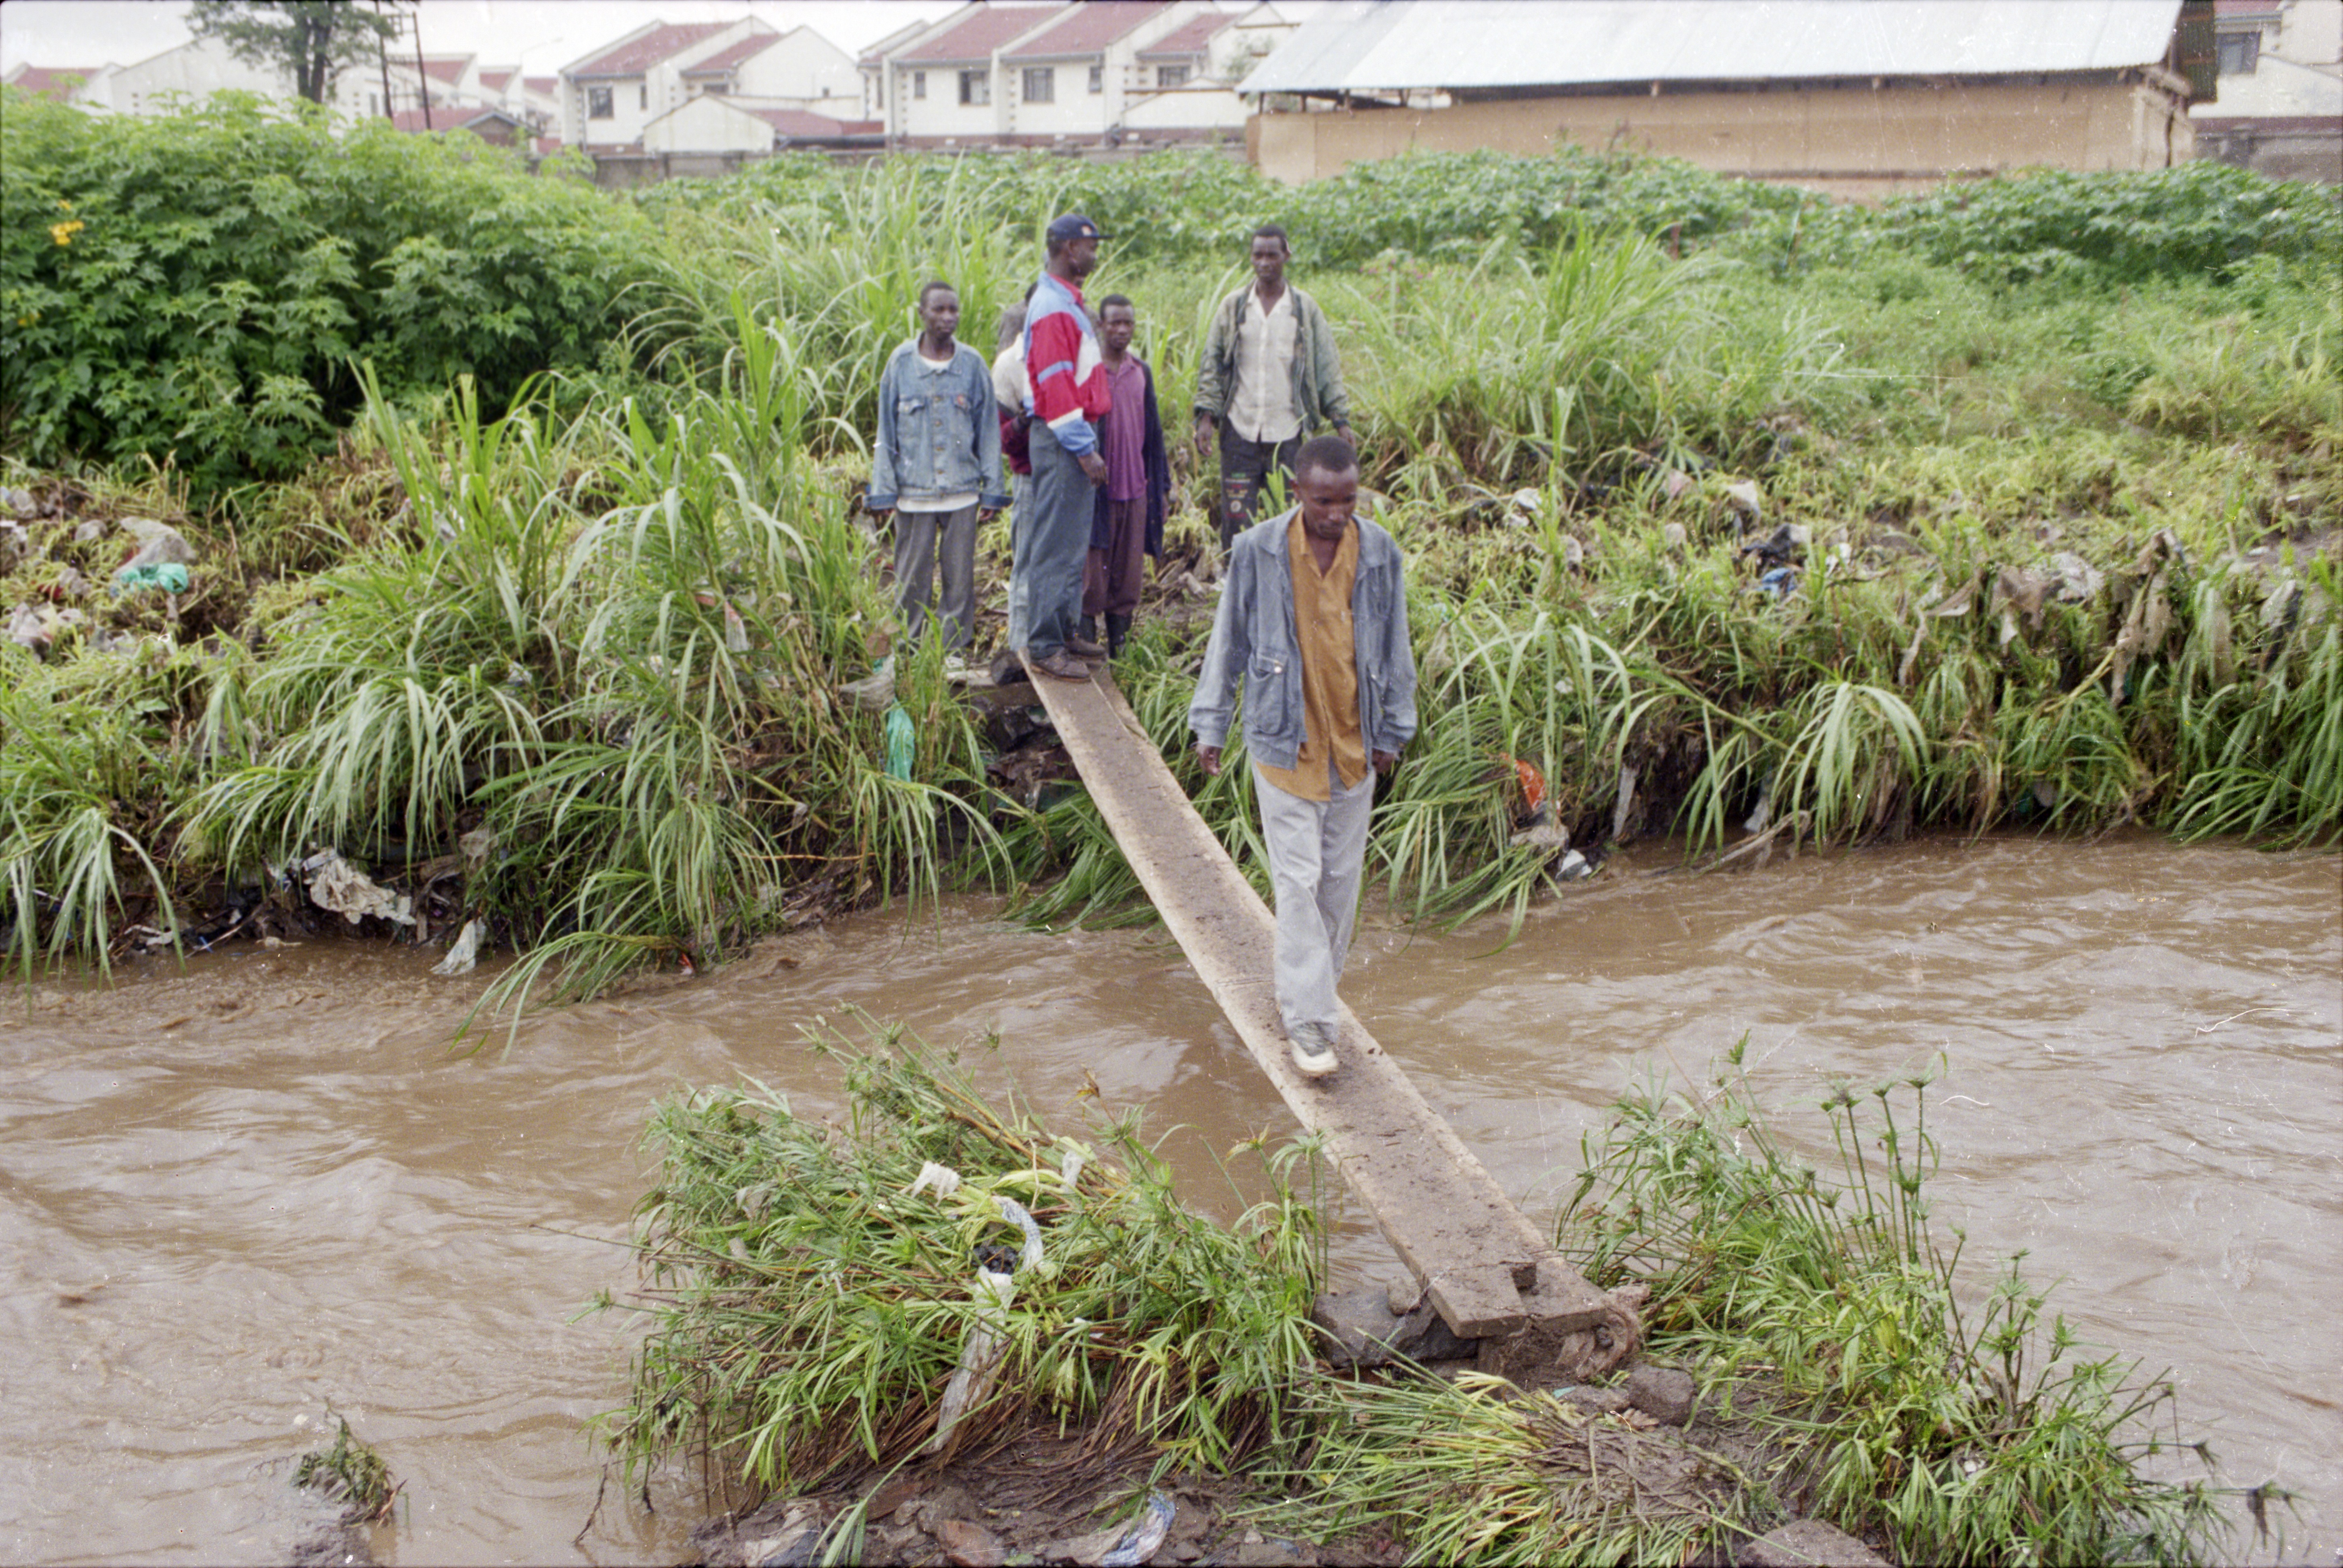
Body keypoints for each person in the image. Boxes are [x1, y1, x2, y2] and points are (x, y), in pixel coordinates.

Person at [1187, 435, 1416, 1079]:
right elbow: (1226, 638)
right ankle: (1309, 1024)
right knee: (1297, 881)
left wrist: (1393, 730)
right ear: (1296, 493)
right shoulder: (1258, 550)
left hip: (1353, 744)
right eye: (1323, 501)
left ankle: (1314, 1000)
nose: (1336, 513)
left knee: (1339, 888)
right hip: (1281, 740)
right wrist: (1211, 723)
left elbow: (1395, 645)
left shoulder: (1379, 554)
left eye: (1347, 500)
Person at [1191, 224, 1355, 555]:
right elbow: (1212, 364)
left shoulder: (1304, 309)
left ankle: (1286, 582)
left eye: (1272, 255)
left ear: (1286, 256)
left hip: (1288, 431)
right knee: (1237, 515)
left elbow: (1326, 366)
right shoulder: (1234, 307)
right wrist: (1205, 418)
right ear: (1251, 258)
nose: (1264, 262)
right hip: (1240, 428)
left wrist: (1341, 419)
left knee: (1288, 514)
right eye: (1258, 255)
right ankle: (1235, 582)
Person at [866, 280, 1007, 662]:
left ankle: (952, 653)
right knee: (912, 578)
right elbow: (886, 431)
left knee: (959, 578)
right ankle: (908, 651)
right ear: (922, 313)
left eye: (953, 310)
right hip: (914, 493)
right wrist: (883, 490)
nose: (948, 318)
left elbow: (989, 431)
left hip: (962, 490)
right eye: (939, 310)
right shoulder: (901, 365)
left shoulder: (973, 365)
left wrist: (993, 488)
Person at [1014, 214, 1114, 682]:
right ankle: (1046, 645)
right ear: (1071, 249)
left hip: (1071, 435)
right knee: (1056, 544)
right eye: (1091, 246)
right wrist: (1083, 447)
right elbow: (1055, 387)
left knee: (1071, 542)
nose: (1095, 254)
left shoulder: (1066, 302)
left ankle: (1065, 630)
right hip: (1062, 439)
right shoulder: (1053, 306)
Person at [1081, 295, 1169, 661]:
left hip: (1134, 492)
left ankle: (1121, 653)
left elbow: (1154, 436)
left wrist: (1161, 488)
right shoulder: (1089, 371)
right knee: (1091, 580)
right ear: (1100, 325)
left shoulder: (1140, 372)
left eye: (1128, 323)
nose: (1121, 330)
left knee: (1127, 578)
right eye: (1114, 323)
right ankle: (1087, 651)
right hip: (1097, 495)